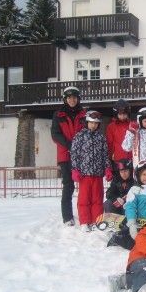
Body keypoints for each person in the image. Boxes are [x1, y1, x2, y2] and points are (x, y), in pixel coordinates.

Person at [70, 110, 112, 231]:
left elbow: (105, 154)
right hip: (84, 174)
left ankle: (96, 220)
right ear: (86, 122)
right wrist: (75, 169)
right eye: (91, 123)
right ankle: (84, 221)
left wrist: (107, 168)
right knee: (84, 199)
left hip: (98, 174)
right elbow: (74, 154)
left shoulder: (101, 137)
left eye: (96, 123)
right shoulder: (80, 136)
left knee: (97, 199)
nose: (93, 125)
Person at [51, 86, 87, 226]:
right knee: (68, 186)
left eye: (74, 97)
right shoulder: (58, 114)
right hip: (65, 155)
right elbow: (55, 134)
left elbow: (86, 131)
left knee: (84, 185)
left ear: (78, 99)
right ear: (65, 99)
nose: (72, 100)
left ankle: (85, 214)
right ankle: (67, 217)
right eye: (69, 97)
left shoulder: (83, 114)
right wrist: (69, 144)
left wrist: (79, 145)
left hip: (82, 156)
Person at [106, 99, 132, 168]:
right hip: (118, 158)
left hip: (131, 157)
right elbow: (109, 143)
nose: (122, 116)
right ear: (116, 114)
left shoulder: (131, 125)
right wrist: (110, 155)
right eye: (120, 114)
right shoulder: (111, 126)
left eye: (124, 114)